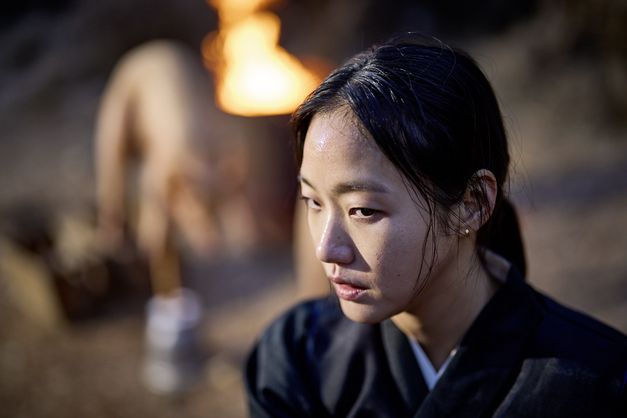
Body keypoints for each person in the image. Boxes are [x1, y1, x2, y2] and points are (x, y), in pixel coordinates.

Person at [245, 35, 627, 417]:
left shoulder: (598, 383)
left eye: (362, 210)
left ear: (472, 204)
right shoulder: (297, 357)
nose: (326, 249)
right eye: (313, 202)